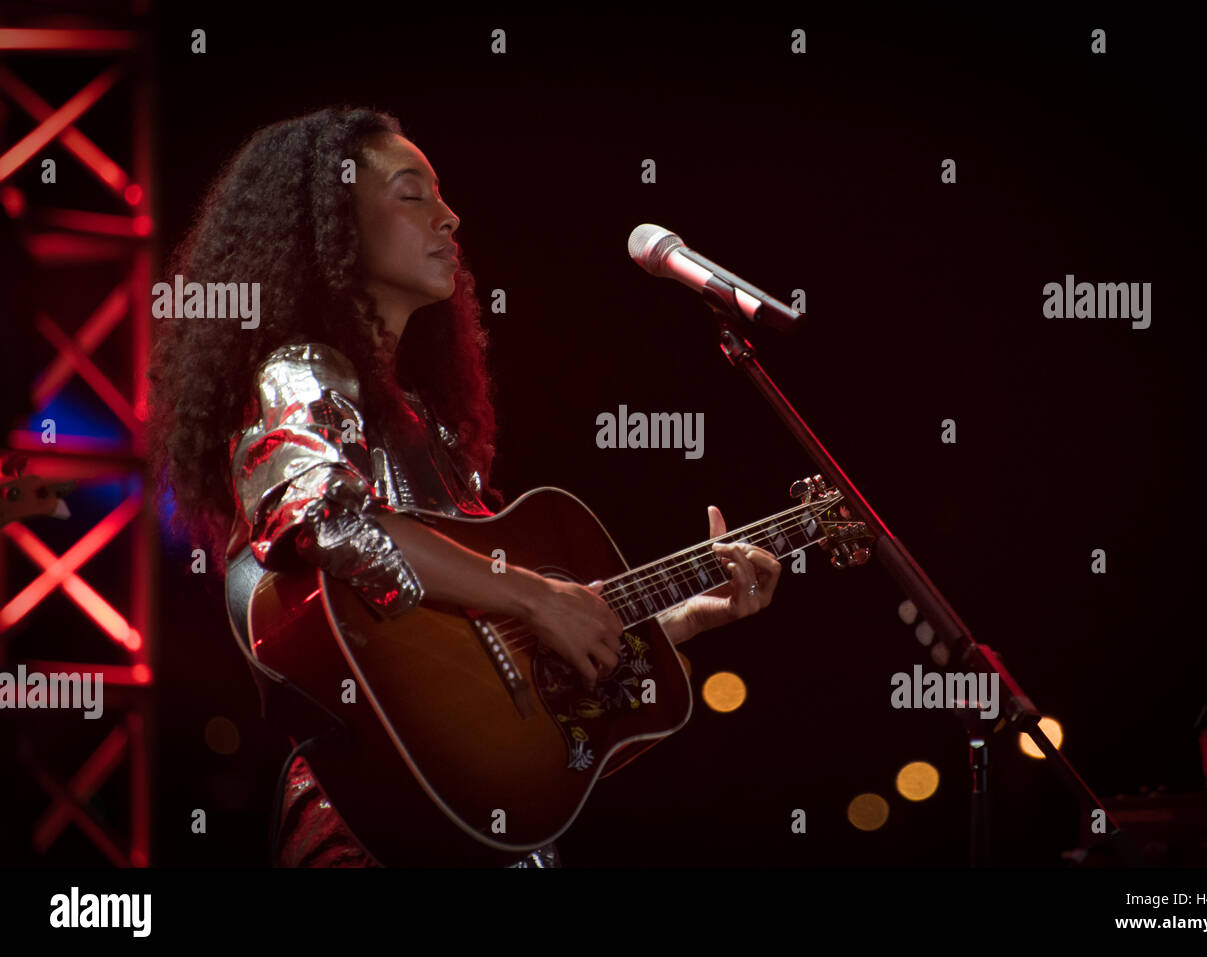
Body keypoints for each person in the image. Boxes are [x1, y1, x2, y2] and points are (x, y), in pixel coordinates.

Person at [147, 105, 781, 867]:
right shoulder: (299, 375)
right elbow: (322, 517)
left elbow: (486, 670)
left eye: (442, 196)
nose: (450, 216)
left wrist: (677, 617)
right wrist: (537, 595)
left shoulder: (428, 431)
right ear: (330, 227)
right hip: (370, 834)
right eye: (414, 194)